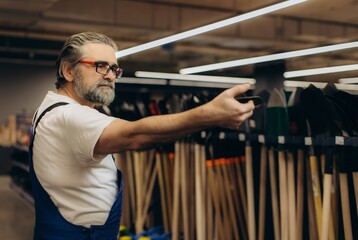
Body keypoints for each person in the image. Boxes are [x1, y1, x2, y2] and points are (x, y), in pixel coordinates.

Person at [29, 31, 255, 239]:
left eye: (114, 69)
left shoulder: (55, 110)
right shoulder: (67, 116)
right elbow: (136, 136)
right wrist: (209, 115)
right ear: (68, 71)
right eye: (100, 66)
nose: (110, 76)